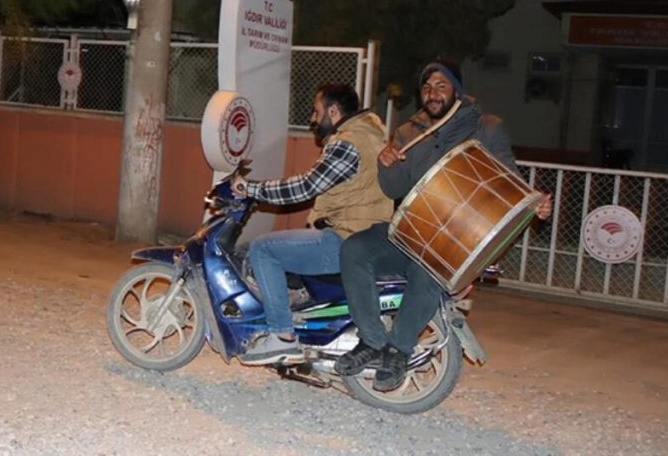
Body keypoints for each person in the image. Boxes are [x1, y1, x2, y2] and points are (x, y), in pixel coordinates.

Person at [334, 60, 553, 390]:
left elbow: (510, 180)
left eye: (441, 85)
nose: (432, 93)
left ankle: (399, 349)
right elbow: (394, 189)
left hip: (451, 243)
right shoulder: (409, 132)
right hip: (407, 233)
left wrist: (536, 204)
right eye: (426, 87)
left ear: (457, 90)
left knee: (430, 267)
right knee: (355, 249)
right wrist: (386, 165)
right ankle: (372, 340)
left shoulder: (485, 128)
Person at [231, 84, 392, 365]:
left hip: (346, 238)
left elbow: (307, 186)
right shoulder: (370, 135)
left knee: (262, 249)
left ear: (333, 111)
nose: (313, 119)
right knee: (290, 246)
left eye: (317, 112)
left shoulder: (348, 142)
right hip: (362, 234)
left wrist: (252, 189)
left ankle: (282, 336)